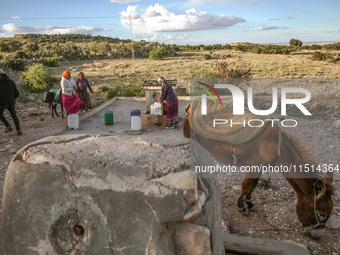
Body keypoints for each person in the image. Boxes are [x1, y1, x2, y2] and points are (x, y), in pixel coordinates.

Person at [0, 69, 22, 136]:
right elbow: (17, 93)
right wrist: (12, 99)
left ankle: (8, 126)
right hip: (11, 102)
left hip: (1, 103)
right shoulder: (11, 82)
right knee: (14, 116)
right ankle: (18, 130)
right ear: (5, 73)